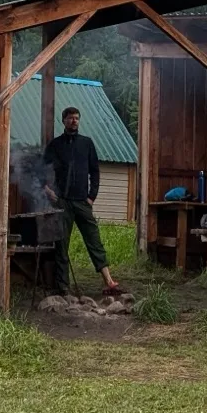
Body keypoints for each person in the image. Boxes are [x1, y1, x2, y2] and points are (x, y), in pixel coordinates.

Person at [44, 104, 121, 295]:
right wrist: (47, 189)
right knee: (61, 244)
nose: (74, 121)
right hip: (62, 201)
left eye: (77, 118)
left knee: (94, 240)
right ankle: (63, 288)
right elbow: (42, 168)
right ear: (64, 120)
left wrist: (91, 196)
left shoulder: (86, 143)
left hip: (82, 202)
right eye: (70, 118)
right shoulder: (56, 145)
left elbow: (95, 171)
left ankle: (109, 281)